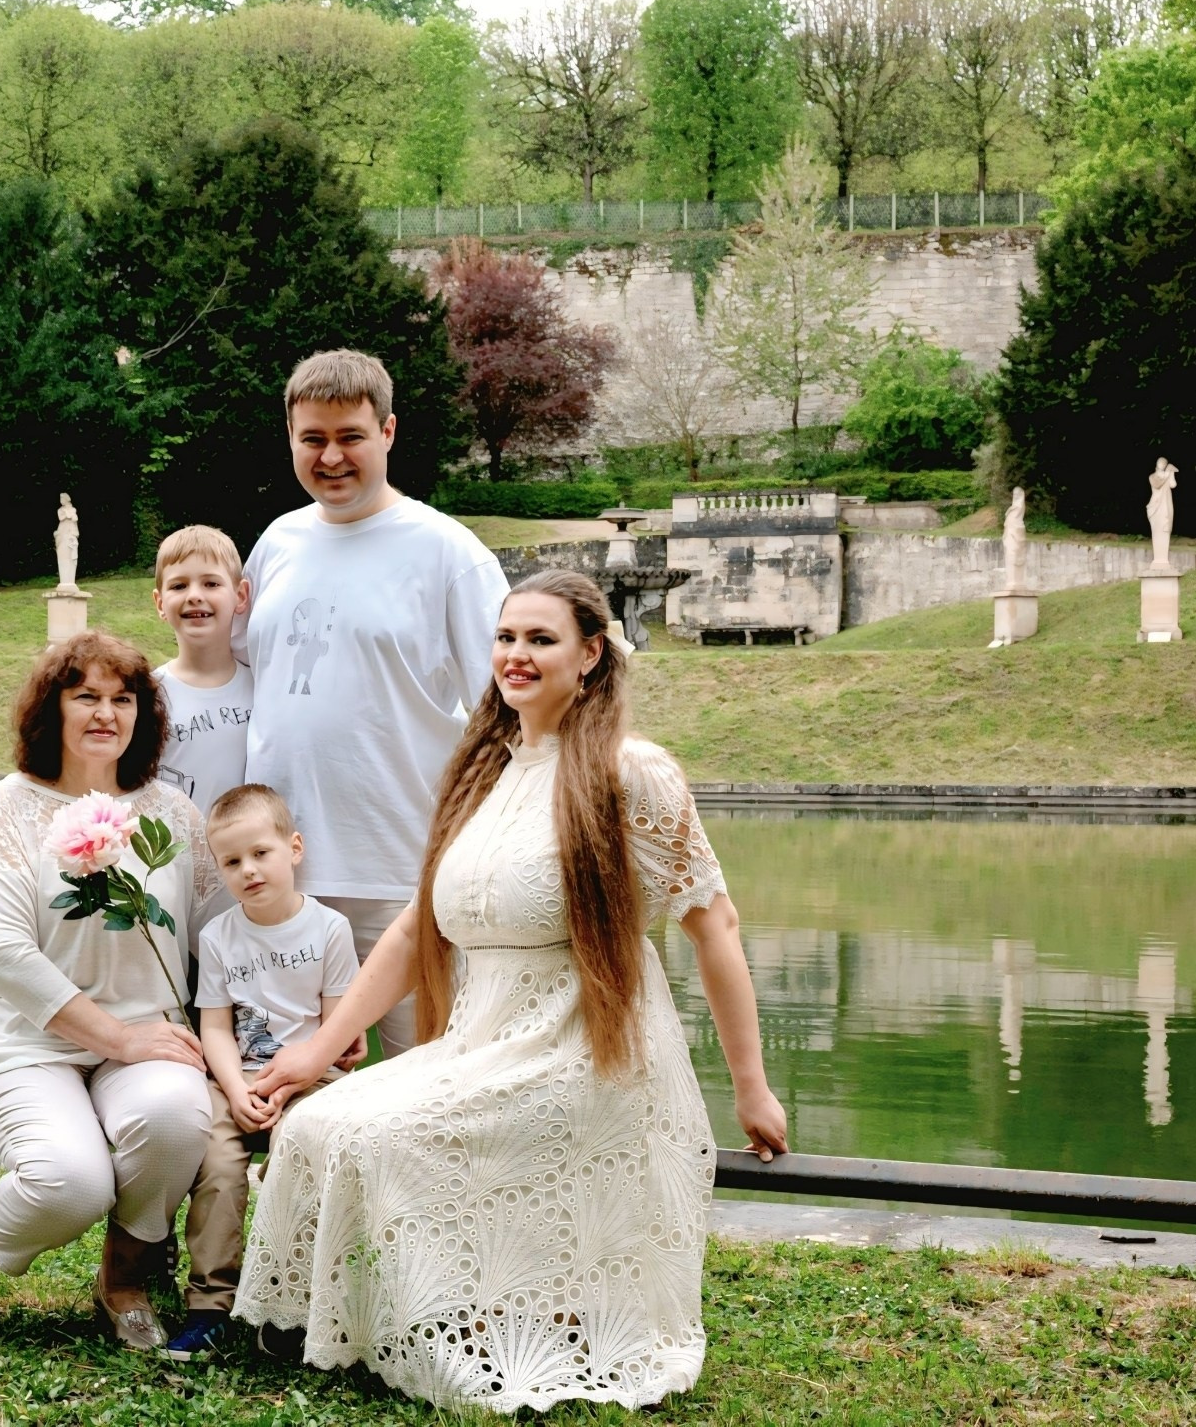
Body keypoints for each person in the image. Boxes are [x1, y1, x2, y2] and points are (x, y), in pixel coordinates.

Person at [235, 569, 789, 1412]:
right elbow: (415, 932)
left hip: (585, 1053)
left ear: (592, 654)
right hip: (478, 1039)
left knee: (388, 1136)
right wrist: (315, 1046)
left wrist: (750, 1085)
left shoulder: (629, 773)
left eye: (541, 639)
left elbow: (714, 926)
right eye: (506, 637)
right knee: (321, 1119)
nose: (516, 655)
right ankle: (360, 1322)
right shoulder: (484, 770)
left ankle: (464, 1331)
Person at [0, 631, 219, 1351]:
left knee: (177, 1116)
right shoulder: (6, 809)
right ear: (51, 708)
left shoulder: (173, 814)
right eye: (85, 695)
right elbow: (6, 957)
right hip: (28, 1044)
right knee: (70, 1181)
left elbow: (214, 939)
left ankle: (123, 1278)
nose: (105, 713)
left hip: (149, 1038)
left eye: (123, 699)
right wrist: (116, 1037)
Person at [236, 348, 509, 1056]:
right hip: (285, 882)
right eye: (312, 438)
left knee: (431, 1084)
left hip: (404, 878)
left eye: (350, 436)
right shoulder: (274, 544)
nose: (331, 456)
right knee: (295, 1088)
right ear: (289, 438)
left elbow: (512, 705)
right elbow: (233, 685)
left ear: (387, 432)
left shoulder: (448, 551)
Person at [163, 784, 359, 1362]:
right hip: (236, 1082)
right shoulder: (218, 936)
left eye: (261, 853)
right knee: (219, 1164)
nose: (248, 870)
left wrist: (292, 1085)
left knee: (299, 1156)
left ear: (293, 848)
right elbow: (215, 1028)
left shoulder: (330, 931)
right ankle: (210, 1307)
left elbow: (335, 1033)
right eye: (231, 861)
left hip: (308, 1083)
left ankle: (289, 1305)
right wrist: (235, 1089)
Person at [153, 525, 254, 808]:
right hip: (171, 850)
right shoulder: (145, 695)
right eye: (178, 586)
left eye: (211, 584)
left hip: (247, 850)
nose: (194, 595)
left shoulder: (264, 688)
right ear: (160, 603)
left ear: (241, 596)